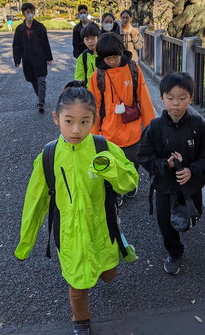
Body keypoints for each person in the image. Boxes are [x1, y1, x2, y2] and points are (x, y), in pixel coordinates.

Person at [15, 81, 139, 335]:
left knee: (108, 274)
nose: (76, 129)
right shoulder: (49, 156)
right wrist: (26, 242)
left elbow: (130, 181)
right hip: (69, 234)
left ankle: (106, 270)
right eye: (69, 120)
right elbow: (35, 201)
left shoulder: (102, 147)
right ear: (56, 118)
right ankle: (80, 320)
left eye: (84, 121)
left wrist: (110, 169)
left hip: (102, 229)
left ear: (94, 119)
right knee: (77, 284)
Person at [138, 72, 205, 275]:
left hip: (190, 188)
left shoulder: (199, 127)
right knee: (165, 222)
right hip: (164, 187)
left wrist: (192, 171)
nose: (176, 104)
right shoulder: (154, 128)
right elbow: (144, 156)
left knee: (190, 218)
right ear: (162, 98)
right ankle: (175, 253)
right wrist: (166, 164)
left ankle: (181, 228)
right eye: (170, 98)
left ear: (191, 98)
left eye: (182, 98)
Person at [89, 33, 155, 206]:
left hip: (132, 130)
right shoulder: (97, 76)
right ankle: (117, 190)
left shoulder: (133, 69)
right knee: (113, 165)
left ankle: (131, 182)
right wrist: (93, 136)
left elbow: (144, 100)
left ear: (122, 53)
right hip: (108, 132)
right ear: (102, 57)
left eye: (116, 57)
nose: (113, 61)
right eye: (109, 58)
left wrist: (152, 129)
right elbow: (93, 108)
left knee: (134, 160)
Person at [13, 3, 53, 113]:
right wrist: (17, 60)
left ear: (34, 12)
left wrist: (49, 58)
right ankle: (40, 97)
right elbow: (17, 45)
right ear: (23, 14)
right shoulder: (19, 29)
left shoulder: (40, 27)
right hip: (27, 60)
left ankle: (41, 102)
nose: (29, 14)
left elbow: (45, 43)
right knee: (34, 81)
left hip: (40, 59)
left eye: (31, 12)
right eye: (27, 12)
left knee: (41, 81)